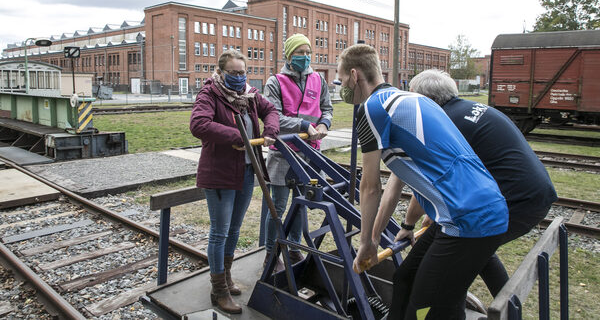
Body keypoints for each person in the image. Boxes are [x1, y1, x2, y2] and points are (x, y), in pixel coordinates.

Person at [338, 44, 509, 319]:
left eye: (342, 78)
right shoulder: (416, 99)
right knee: (405, 276)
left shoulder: (371, 108)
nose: (342, 85)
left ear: (355, 75)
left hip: (464, 217)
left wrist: (367, 243)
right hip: (483, 207)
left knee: (426, 307)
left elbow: (370, 186)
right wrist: (406, 225)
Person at [404, 69, 557, 297]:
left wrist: (407, 225)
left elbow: (428, 183)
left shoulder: (446, 124)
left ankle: (455, 307)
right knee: (477, 249)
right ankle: (506, 309)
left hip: (515, 202)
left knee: (459, 258)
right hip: (534, 194)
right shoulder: (470, 109)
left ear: (424, 99)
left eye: (411, 97)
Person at [190, 50, 279, 314]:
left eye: (242, 73)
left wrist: (270, 130)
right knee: (220, 232)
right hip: (219, 173)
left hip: (246, 171)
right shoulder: (209, 94)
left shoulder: (248, 96)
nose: (239, 78)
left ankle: (226, 278)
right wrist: (237, 135)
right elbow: (199, 125)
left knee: (235, 229)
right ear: (220, 73)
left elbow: (270, 109)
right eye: (233, 73)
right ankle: (218, 290)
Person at [261, 33, 333, 268]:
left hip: (309, 152)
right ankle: (271, 253)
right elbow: (276, 117)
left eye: (307, 52)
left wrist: (324, 124)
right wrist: (304, 125)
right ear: (289, 55)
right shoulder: (276, 81)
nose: (305, 57)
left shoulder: (318, 80)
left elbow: (326, 108)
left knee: (300, 204)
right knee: (278, 207)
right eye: (299, 53)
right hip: (284, 152)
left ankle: (293, 249)